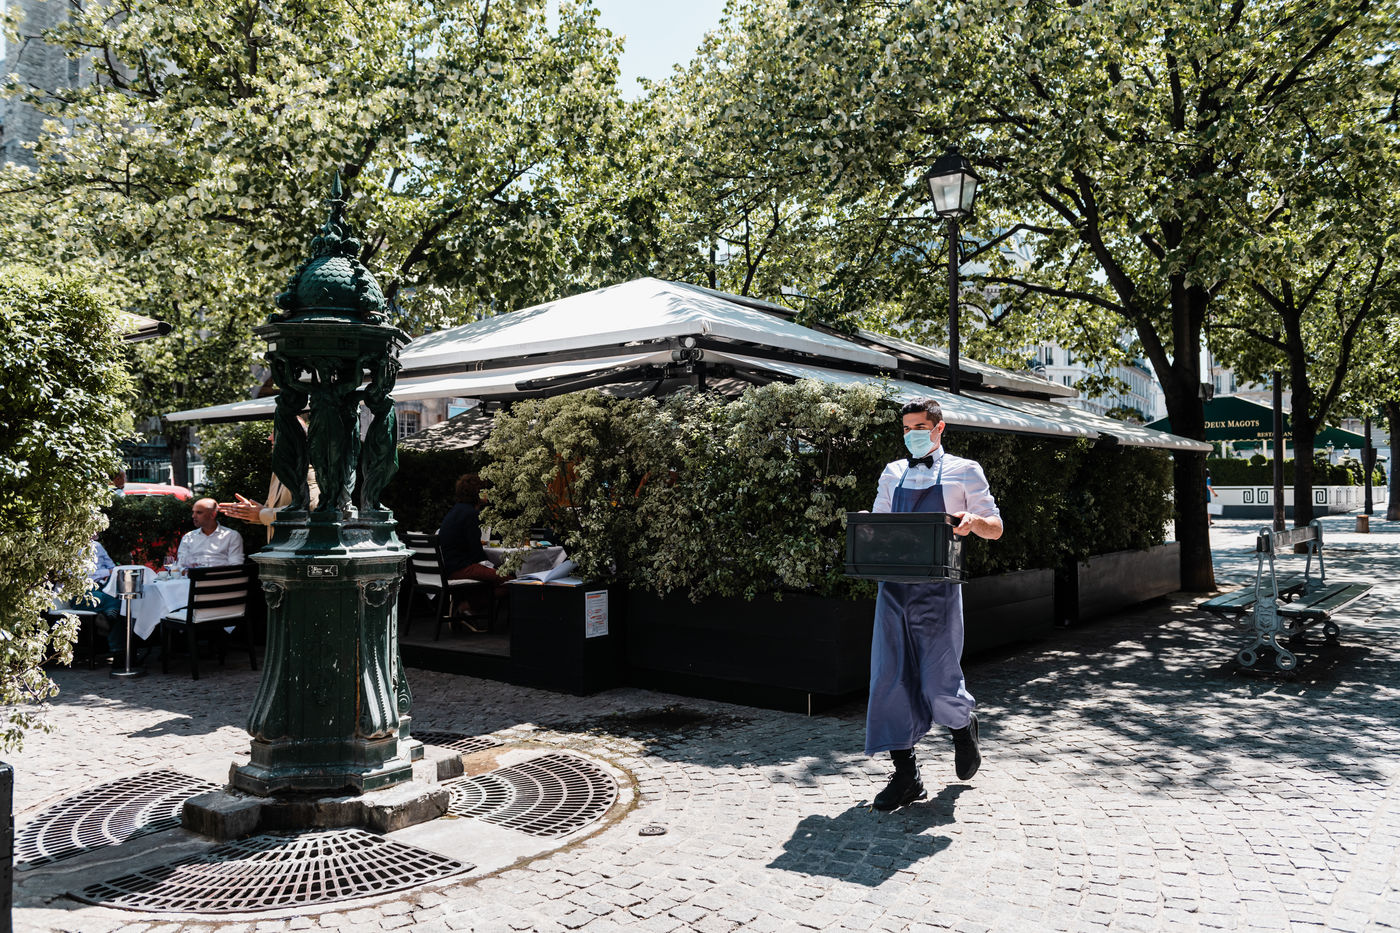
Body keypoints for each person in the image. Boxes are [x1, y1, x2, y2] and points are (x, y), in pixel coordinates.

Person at [866, 397, 1003, 811]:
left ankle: (962, 726)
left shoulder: (965, 470)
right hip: (893, 588)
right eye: (906, 429)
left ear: (939, 428)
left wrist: (974, 523)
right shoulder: (892, 472)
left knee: (938, 681)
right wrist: (865, 532)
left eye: (919, 428)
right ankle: (906, 776)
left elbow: (995, 527)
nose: (912, 435)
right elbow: (878, 524)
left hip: (939, 590)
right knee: (889, 679)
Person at [438, 474, 509, 623]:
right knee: (511, 581)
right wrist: (494, 567)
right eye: (486, 490)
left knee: (499, 576)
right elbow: (476, 553)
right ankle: (467, 606)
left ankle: (470, 607)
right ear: (478, 493)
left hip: (449, 566)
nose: (489, 493)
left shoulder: (455, 511)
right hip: (460, 568)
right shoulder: (471, 514)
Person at [177, 497, 245, 570]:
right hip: (195, 576)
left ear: (212, 515)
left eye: (199, 512)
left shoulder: (231, 536)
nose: (193, 516)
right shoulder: (188, 537)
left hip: (222, 576)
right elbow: (181, 566)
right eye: (193, 512)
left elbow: (236, 566)